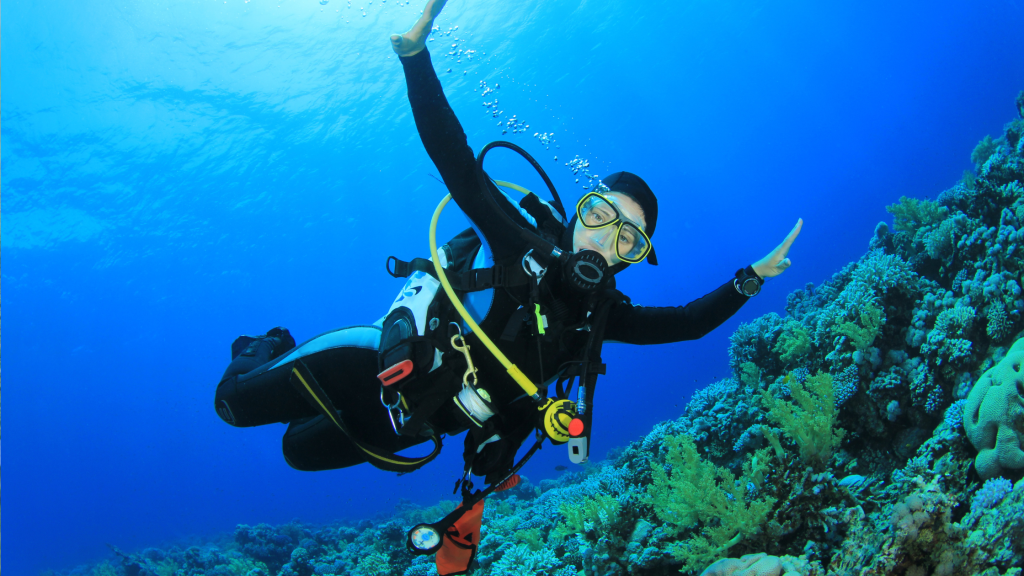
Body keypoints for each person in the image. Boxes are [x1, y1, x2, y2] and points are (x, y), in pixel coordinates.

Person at [214, 0, 801, 567]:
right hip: (372, 364)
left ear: (633, 257)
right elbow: (456, 162)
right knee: (232, 406)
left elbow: (688, 325)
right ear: (578, 211)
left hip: (407, 425)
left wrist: (752, 278)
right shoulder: (521, 242)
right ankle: (262, 347)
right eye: (599, 216)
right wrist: (417, 59)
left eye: (628, 238)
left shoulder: (603, 318)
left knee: (297, 452)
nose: (603, 241)